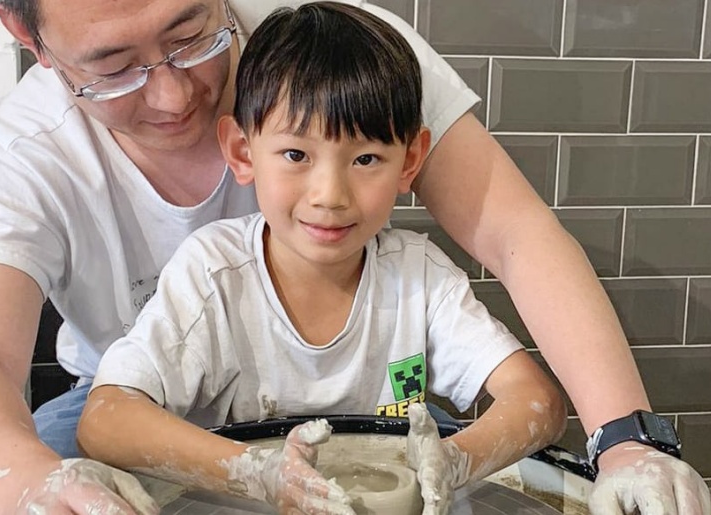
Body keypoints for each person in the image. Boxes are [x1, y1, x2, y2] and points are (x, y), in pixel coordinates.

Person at [0, 0, 711, 514]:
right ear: (29, 37)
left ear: (404, 160)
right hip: (145, 396)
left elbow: (514, 234)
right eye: (114, 67)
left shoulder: (346, 55)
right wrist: (28, 482)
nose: (171, 95)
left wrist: (626, 438)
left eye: (191, 36)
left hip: (375, 395)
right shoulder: (26, 160)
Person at [76, 4, 566, 514]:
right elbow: (105, 420)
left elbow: (538, 402)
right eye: (296, 155)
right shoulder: (214, 275)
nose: (330, 195)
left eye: (366, 159)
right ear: (243, 153)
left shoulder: (420, 278)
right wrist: (255, 473)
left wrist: (458, 460)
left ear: (411, 161)